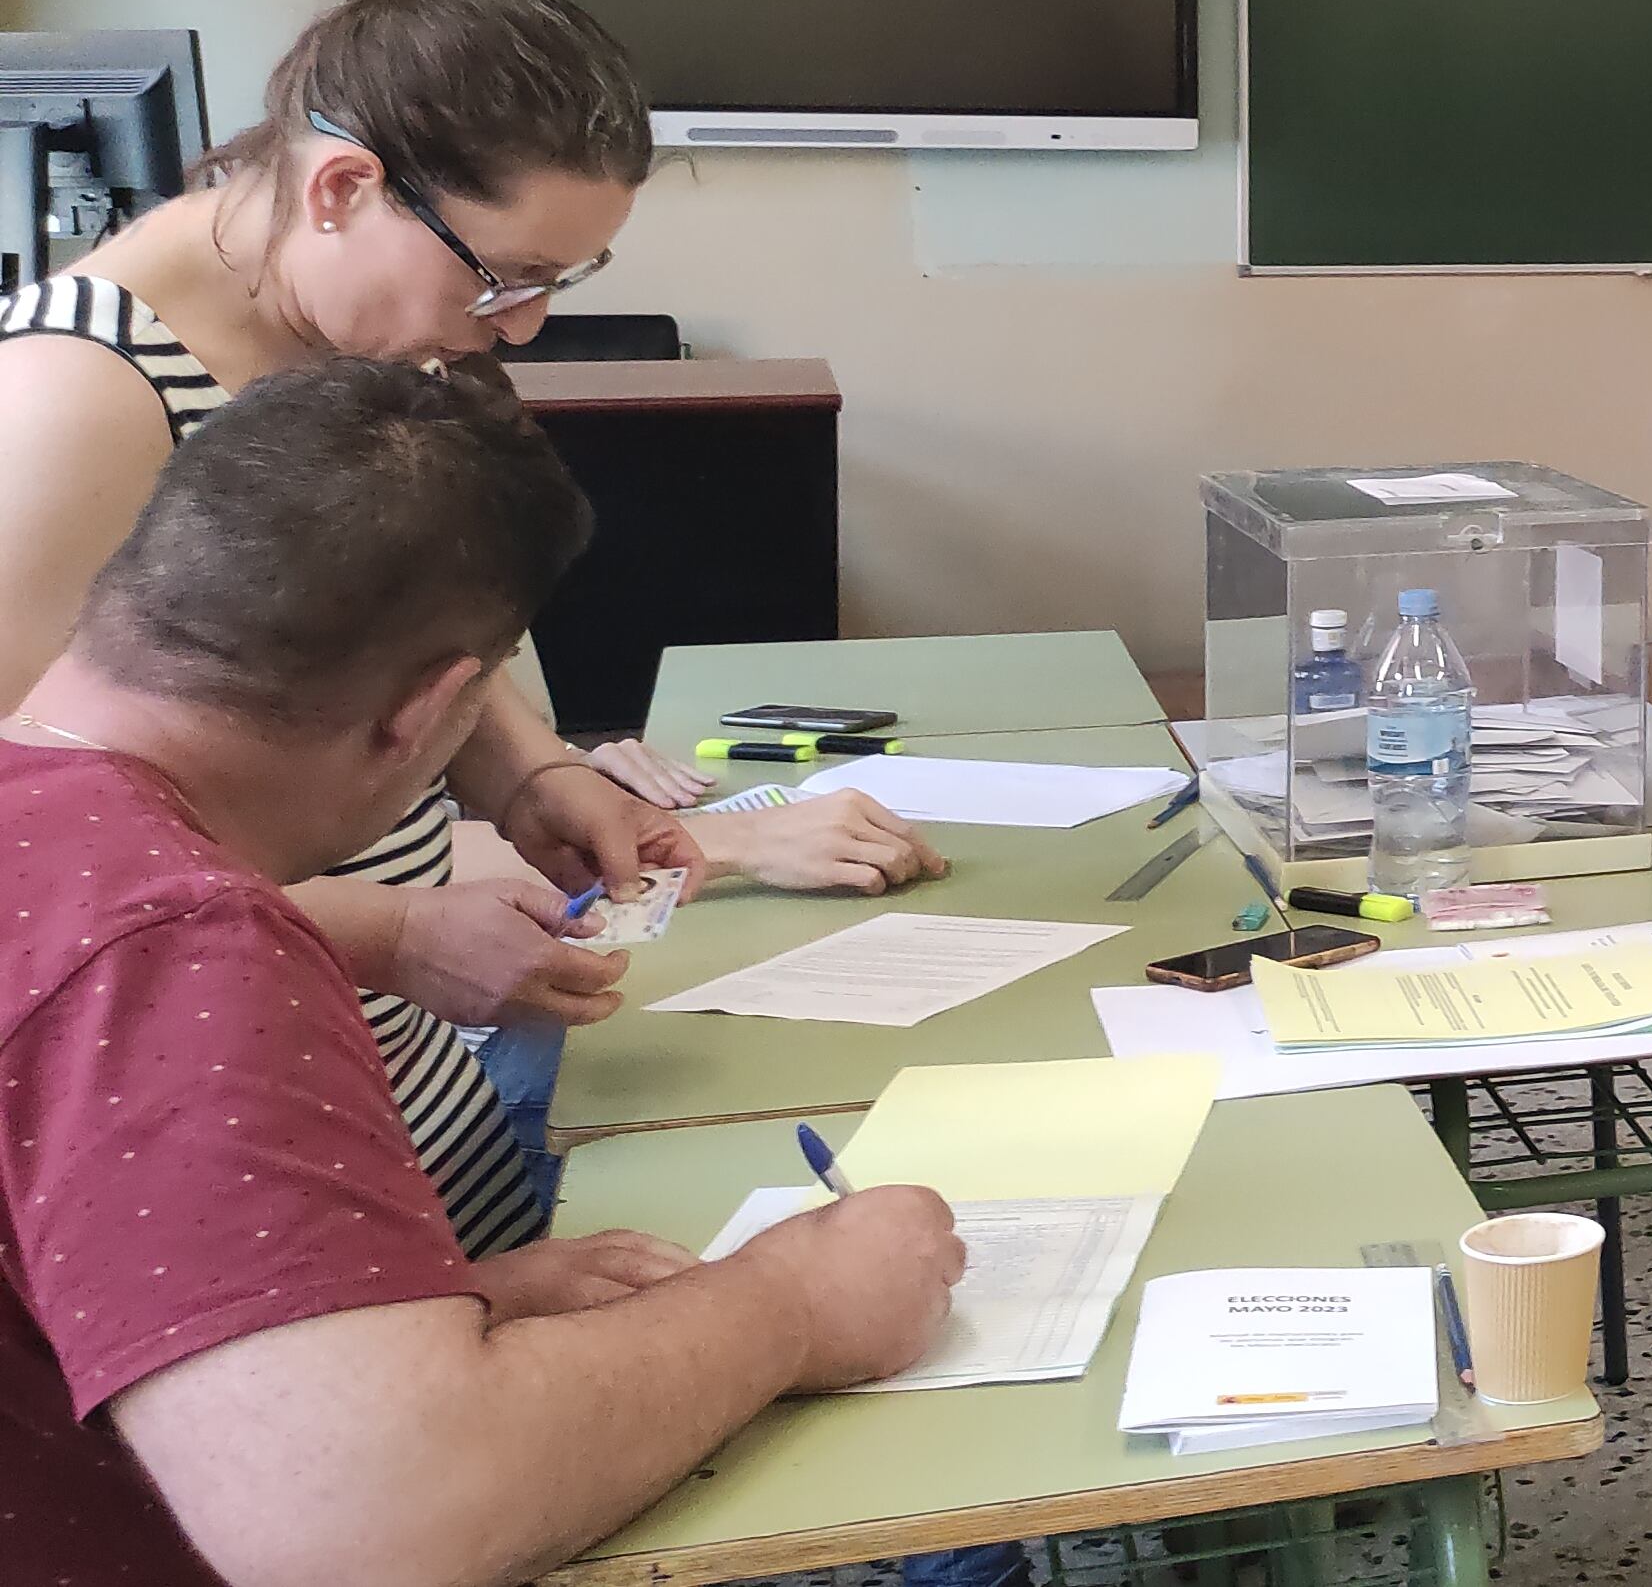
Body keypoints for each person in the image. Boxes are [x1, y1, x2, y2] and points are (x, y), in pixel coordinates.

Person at [0, 0, 943, 1258]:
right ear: (340, 188)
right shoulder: (72, 406)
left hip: (421, 1091)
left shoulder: (361, 332)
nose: (525, 327)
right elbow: (34, 878)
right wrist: (387, 934)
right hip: (232, 1123)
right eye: (504, 277)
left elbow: (390, 619)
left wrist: (533, 776)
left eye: (563, 281)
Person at [1, 357, 969, 1587]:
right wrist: (794, 1306)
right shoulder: (175, 945)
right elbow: (365, 1527)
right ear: (431, 710)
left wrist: (390, 1323)